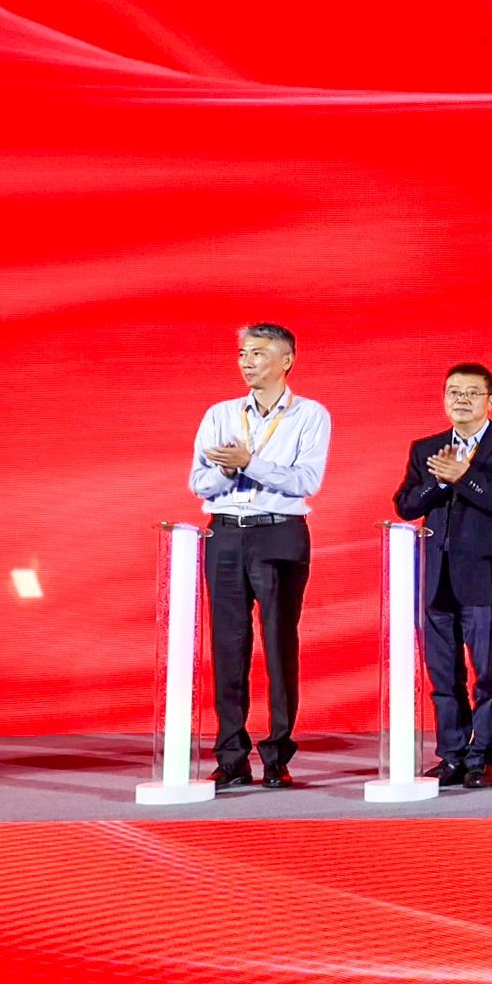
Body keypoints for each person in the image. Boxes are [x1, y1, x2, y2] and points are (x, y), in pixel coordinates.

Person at [189, 321, 332, 790]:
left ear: (286, 360)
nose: (247, 362)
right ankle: (231, 756)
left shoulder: (310, 415)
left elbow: (306, 480)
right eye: (243, 354)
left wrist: (249, 462)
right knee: (228, 646)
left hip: (279, 534)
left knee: (278, 642)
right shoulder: (220, 414)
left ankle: (277, 755)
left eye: (258, 354)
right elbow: (199, 482)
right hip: (225, 534)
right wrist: (229, 473)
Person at [390, 362, 492, 786]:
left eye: (472, 393)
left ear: (491, 401)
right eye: (454, 392)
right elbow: (405, 505)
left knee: (486, 671)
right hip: (434, 575)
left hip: (484, 576)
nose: (462, 399)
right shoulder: (426, 448)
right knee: (442, 673)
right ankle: (452, 754)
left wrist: (466, 477)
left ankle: (483, 756)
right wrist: (440, 482)